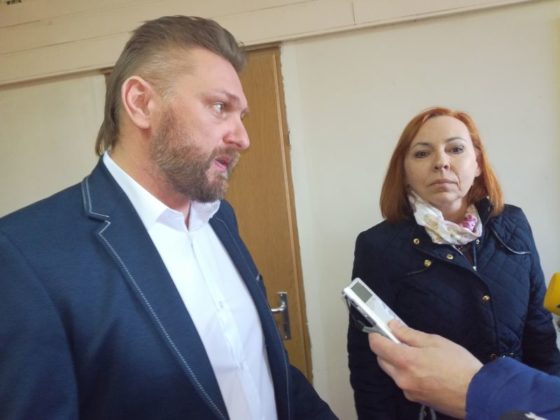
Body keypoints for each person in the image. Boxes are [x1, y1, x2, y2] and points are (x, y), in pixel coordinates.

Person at [0, 16, 336, 420]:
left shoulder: (220, 219)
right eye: (220, 107)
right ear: (142, 103)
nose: (243, 138)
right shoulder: (25, 255)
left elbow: (266, 368)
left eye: (241, 115)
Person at [347, 106, 560, 419]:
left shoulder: (513, 224)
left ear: (477, 163)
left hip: (516, 410)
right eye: (422, 153)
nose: (441, 162)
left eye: (456, 149)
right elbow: (370, 365)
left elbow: (540, 334)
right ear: (404, 172)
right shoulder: (378, 247)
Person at [369, 321, 560, 419]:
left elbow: (543, 349)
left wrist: (475, 390)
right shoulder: (380, 256)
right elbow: (369, 379)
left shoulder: (523, 253)